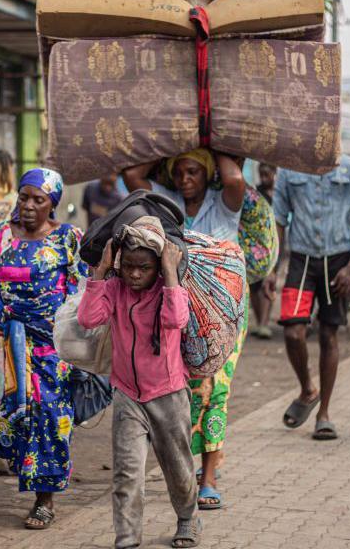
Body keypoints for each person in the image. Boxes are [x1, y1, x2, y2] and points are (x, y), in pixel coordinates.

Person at [123, 148, 246, 510]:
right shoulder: (168, 204)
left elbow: (236, 178)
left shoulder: (225, 203)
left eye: (193, 171)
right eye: (178, 173)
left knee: (216, 388)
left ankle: (207, 478)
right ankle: (190, 466)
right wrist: (170, 142)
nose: (185, 179)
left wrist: (213, 141)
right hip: (176, 303)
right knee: (182, 387)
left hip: (224, 309)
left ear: (209, 173)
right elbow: (133, 177)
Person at [78, 217, 201, 549]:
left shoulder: (168, 290)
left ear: (157, 266)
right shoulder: (115, 288)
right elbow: (89, 319)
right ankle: (127, 538)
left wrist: (171, 273)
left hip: (169, 394)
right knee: (127, 473)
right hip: (127, 395)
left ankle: (187, 516)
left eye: (143, 268)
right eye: (128, 266)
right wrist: (101, 272)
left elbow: (177, 320)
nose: (134, 274)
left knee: (178, 469)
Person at [0, 168, 87, 530]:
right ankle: (21, 469)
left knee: (49, 417)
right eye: (24, 197)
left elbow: (80, 290)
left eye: (38, 200)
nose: (28, 206)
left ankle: (44, 500)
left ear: (53, 205)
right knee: (12, 414)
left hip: (50, 347)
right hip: (8, 342)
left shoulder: (67, 238)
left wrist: (82, 345)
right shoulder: (0, 235)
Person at [273, 155, 350, 441]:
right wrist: (272, 268)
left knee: (329, 336)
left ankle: (324, 414)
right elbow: (278, 222)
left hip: (339, 262)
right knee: (293, 333)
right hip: (301, 262)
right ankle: (308, 389)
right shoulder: (288, 168)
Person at [249, 161, 278, 340]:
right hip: (256, 243)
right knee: (254, 285)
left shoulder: (281, 193)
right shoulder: (255, 193)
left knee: (270, 281)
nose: (264, 178)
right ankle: (260, 322)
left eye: (268, 174)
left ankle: (264, 323)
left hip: (276, 243)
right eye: (262, 174)